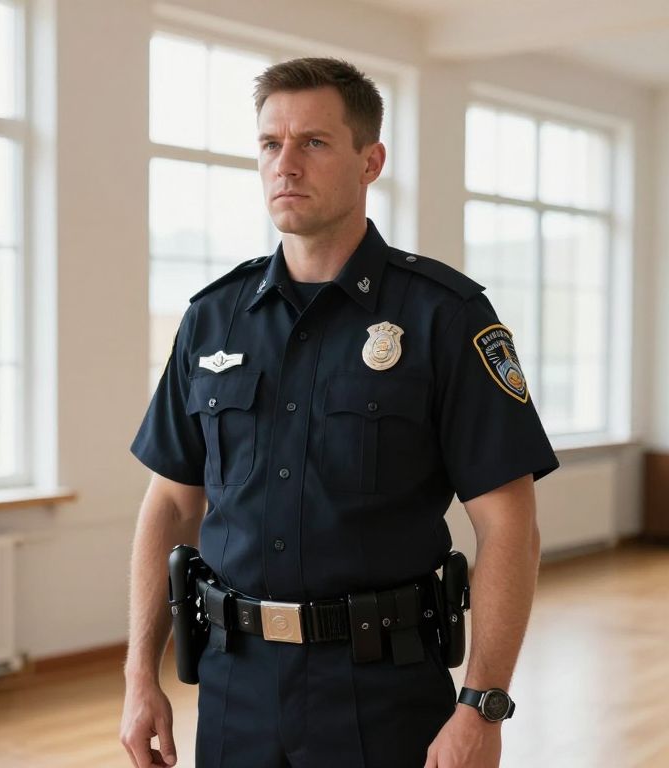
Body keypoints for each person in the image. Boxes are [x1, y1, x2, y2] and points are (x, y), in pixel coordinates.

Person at [120, 56, 559, 768]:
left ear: (370, 160)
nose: (285, 164)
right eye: (270, 144)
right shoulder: (212, 321)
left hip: (380, 687)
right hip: (236, 689)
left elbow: (509, 524)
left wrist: (483, 706)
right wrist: (141, 674)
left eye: (314, 142)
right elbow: (170, 503)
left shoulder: (445, 317)